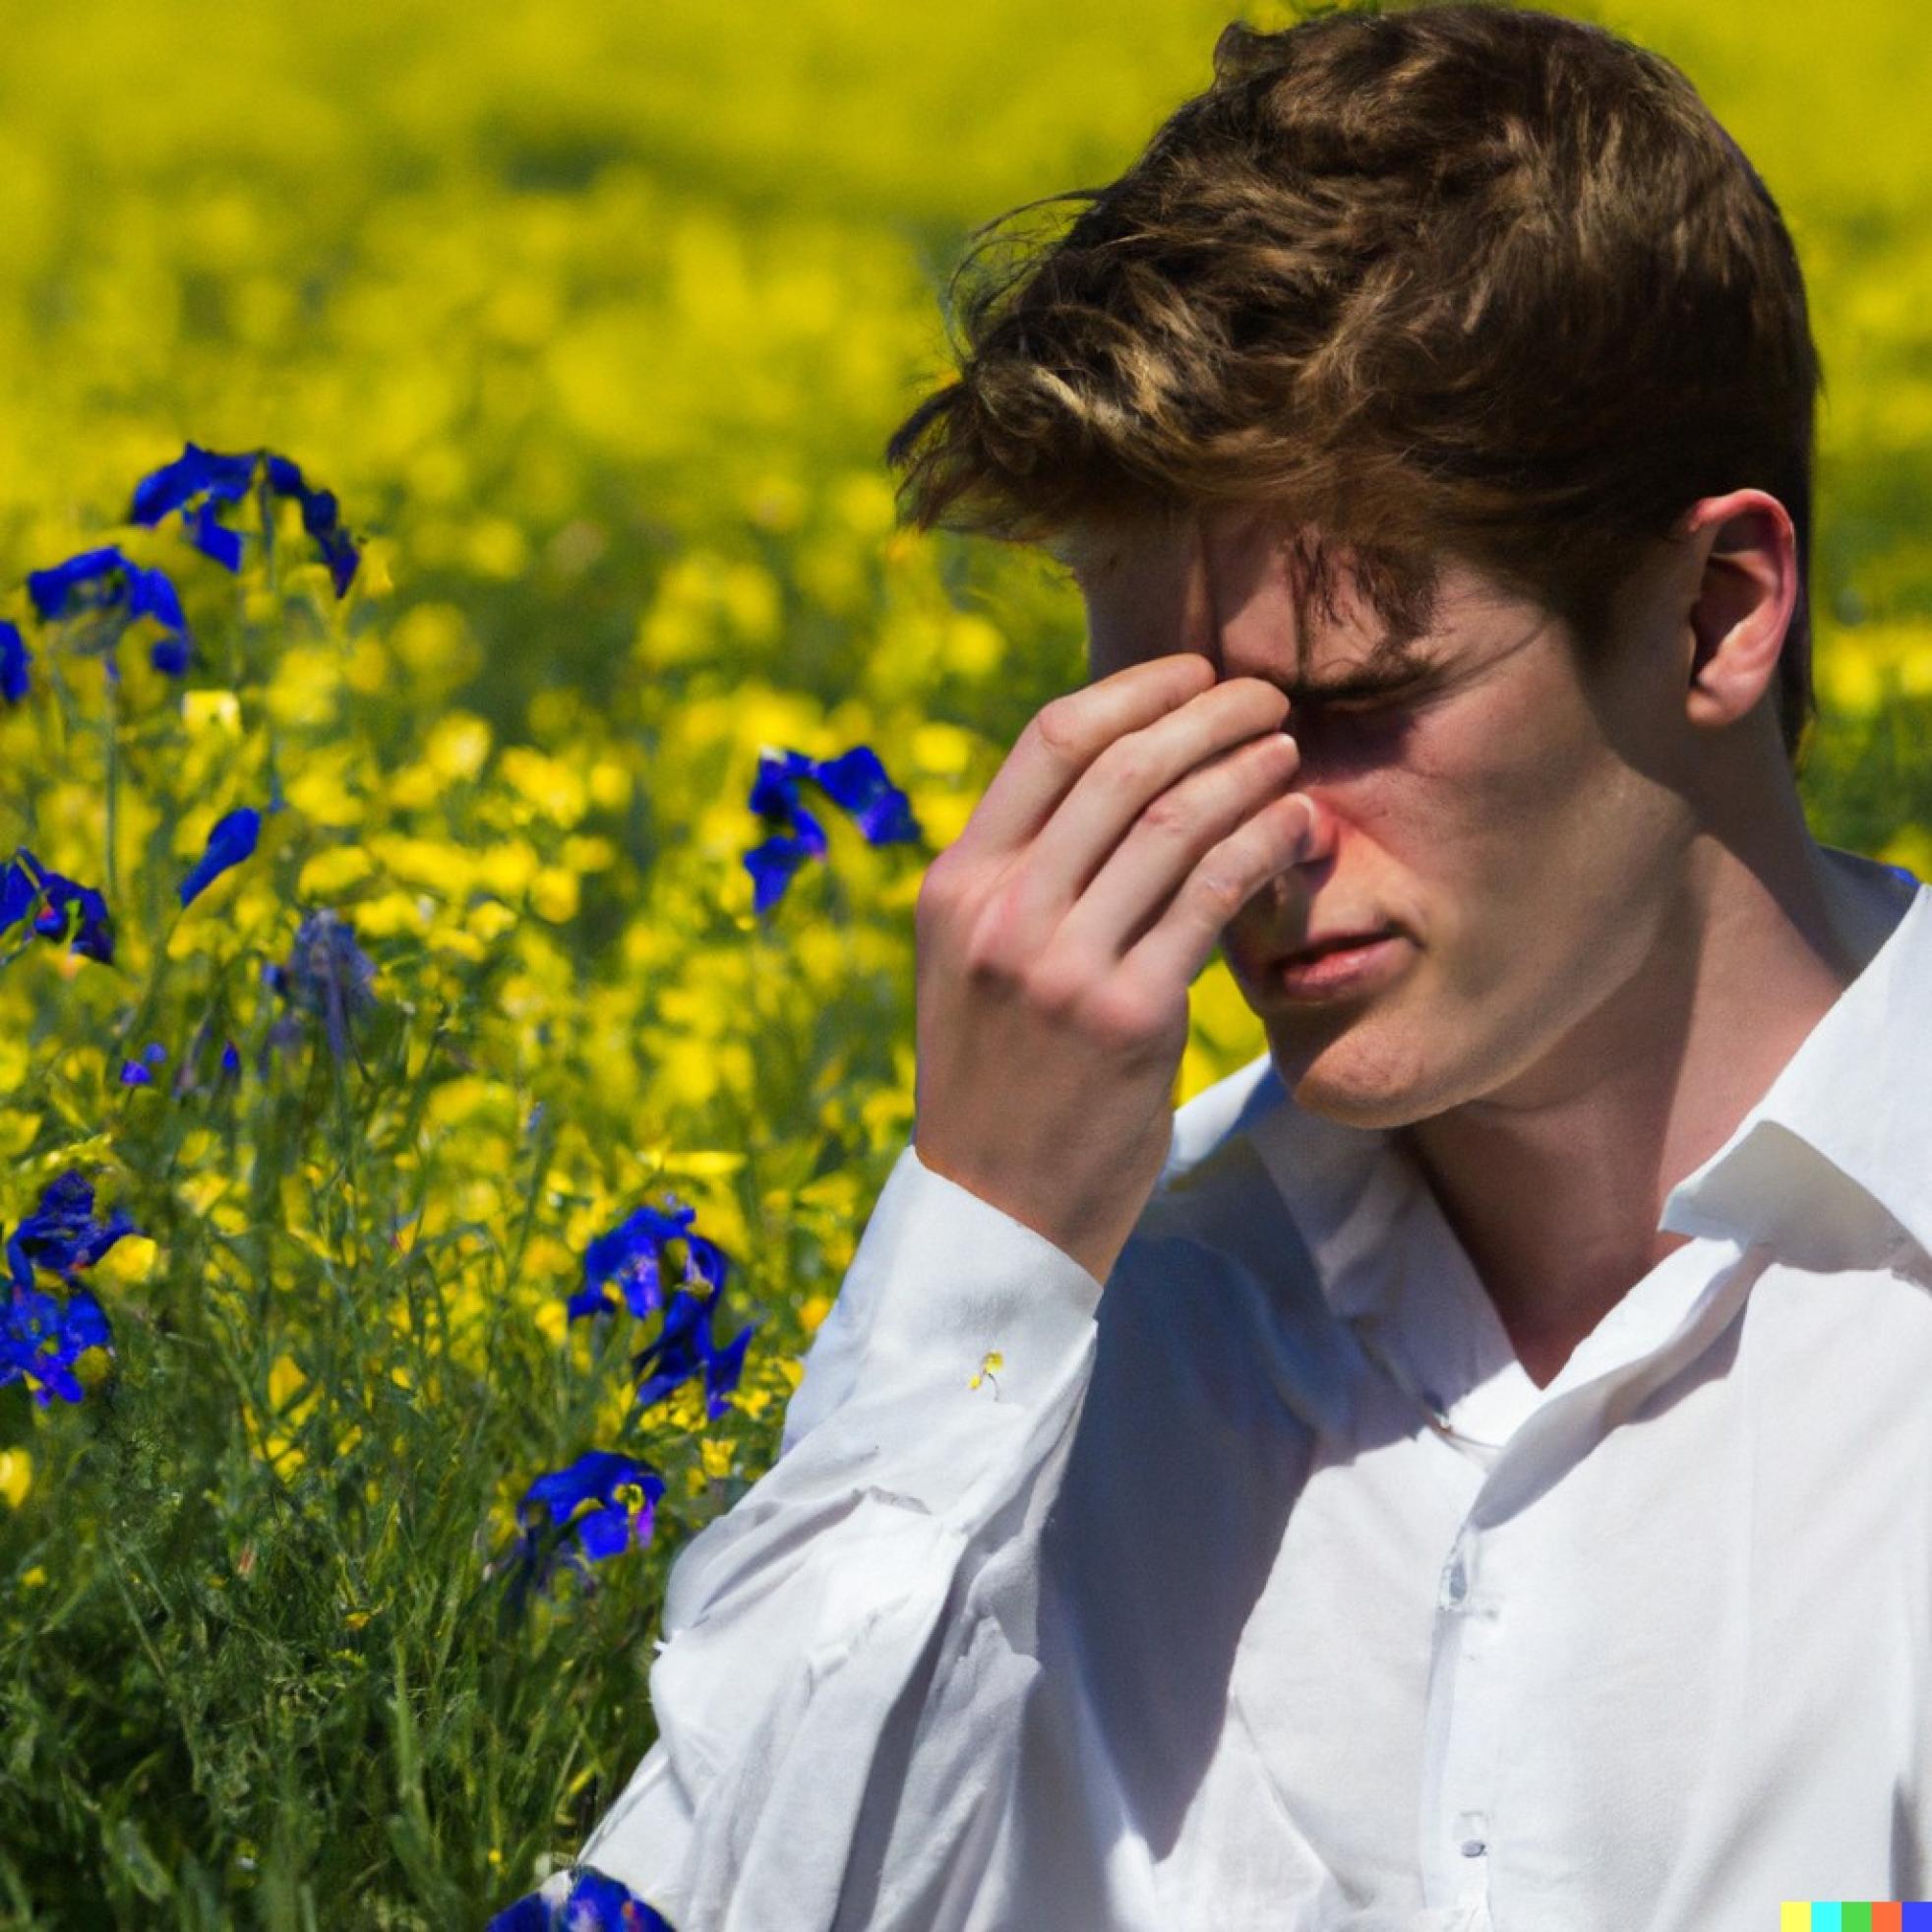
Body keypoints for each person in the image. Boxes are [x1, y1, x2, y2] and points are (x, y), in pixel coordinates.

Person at [510, 4, 1932, 1926]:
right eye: (1160, 739)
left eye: (1350, 706)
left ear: (1712, 610)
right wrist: (979, 1248)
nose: (1251, 843)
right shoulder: (1087, 1330)